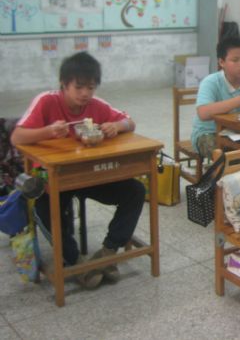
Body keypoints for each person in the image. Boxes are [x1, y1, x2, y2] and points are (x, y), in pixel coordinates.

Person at [11, 52, 145, 290]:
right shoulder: (46, 101)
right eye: (79, 87)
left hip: (89, 176)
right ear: (64, 83)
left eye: (90, 87)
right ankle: (75, 262)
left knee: (135, 190)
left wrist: (116, 125)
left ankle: (107, 253)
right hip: (53, 177)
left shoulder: (96, 105)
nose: (85, 93)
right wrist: (48, 131)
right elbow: (17, 137)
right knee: (44, 207)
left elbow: (129, 122)